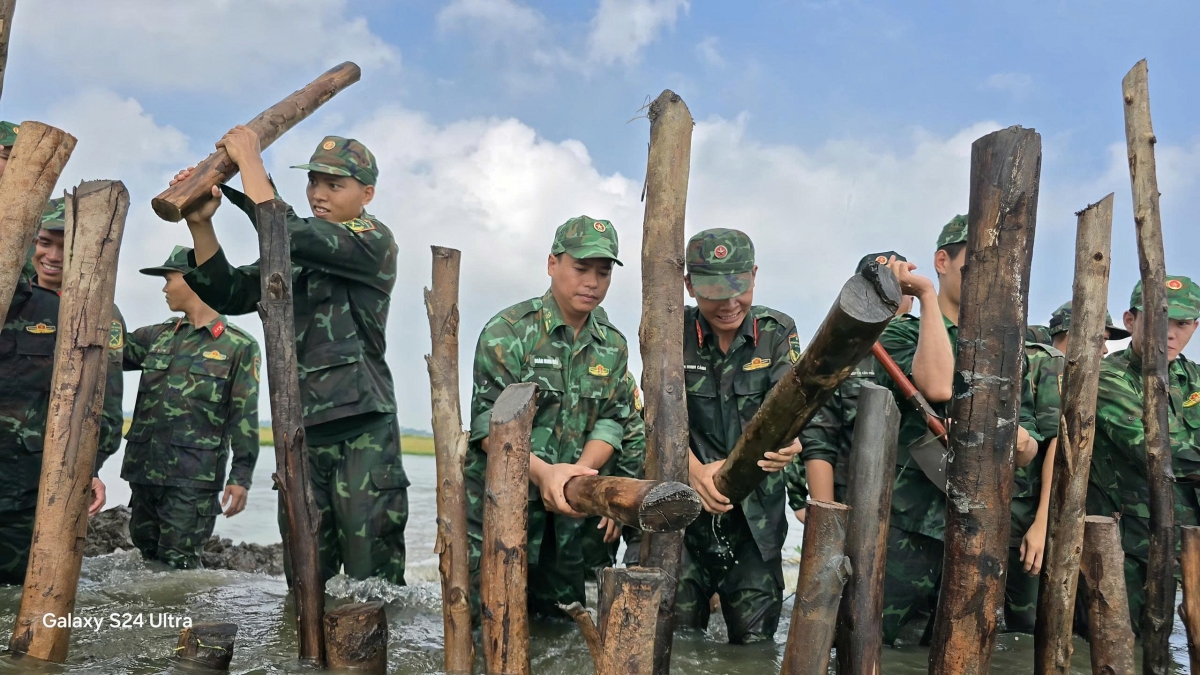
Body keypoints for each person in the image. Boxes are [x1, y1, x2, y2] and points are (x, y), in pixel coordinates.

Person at [174, 128, 407, 585]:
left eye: (334, 185)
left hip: (362, 431)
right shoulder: (293, 252)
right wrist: (201, 222)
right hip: (299, 434)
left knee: (370, 582)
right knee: (305, 580)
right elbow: (230, 290)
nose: (319, 194)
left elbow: (290, 230)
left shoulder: (372, 240)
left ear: (367, 194)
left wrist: (250, 164)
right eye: (313, 183)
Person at [875, 215, 1040, 644]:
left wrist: (1020, 444)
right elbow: (937, 385)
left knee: (963, 649)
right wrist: (927, 297)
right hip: (908, 530)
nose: (987, 277)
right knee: (883, 647)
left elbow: (1029, 450)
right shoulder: (900, 332)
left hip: (976, 533)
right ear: (942, 261)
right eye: (975, 264)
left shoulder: (1009, 351)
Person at [466, 216, 642, 617]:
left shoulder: (612, 344)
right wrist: (545, 473)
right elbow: (486, 429)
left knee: (563, 622)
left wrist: (578, 473)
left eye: (603, 272)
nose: (592, 282)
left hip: (570, 516)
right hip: (501, 504)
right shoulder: (507, 332)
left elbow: (612, 420)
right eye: (581, 269)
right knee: (489, 620)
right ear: (552, 264)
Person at [676, 228, 803, 643]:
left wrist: (790, 441)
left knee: (754, 653)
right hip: (678, 519)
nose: (729, 304)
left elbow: (793, 407)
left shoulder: (777, 331)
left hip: (755, 526)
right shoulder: (670, 334)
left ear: (754, 275)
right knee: (671, 643)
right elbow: (650, 420)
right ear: (689, 284)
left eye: (739, 289)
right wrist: (692, 470)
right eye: (714, 291)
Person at [0, 199, 122, 584]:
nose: (52, 256)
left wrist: (92, 467)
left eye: (64, 246)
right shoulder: (9, 299)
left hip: (33, 487)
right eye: (43, 242)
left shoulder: (98, 312)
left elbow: (106, 404)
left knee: (20, 588)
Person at [122, 246, 260, 569]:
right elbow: (108, 349)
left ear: (195, 280)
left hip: (192, 485)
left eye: (169, 279)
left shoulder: (238, 346)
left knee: (178, 572)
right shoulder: (157, 336)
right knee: (145, 566)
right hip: (144, 476)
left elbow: (245, 416)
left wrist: (241, 477)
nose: (164, 288)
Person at [1005, 302, 1129, 632]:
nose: (1105, 348)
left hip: (999, 512)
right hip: (1023, 519)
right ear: (1072, 334)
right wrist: (1042, 525)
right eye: (1100, 338)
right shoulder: (1055, 363)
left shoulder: (1023, 352)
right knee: (1027, 625)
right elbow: (1057, 444)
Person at [1088, 275, 1200, 632]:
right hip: (1128, 546)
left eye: (1182, 324)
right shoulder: (1107, 377)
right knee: (1121, 648)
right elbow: (1154, 450)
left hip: (1189, 541)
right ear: (1130, 320)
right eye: (1160, 320)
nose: (1171, 334)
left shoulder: (1194, 378)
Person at [791, 251, 913, 520]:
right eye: (874, 289)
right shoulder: (838, 357)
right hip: (854, 508)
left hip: (920, 515)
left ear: (911, 298)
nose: (888, 298)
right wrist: (828, 523)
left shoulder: (928, 354)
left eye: (897, 288)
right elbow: (818, 442)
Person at [581, 370, 646, 576]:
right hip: (535, 497)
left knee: (597, 578)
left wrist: (616, 503)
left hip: (599, 506)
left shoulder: (616, 372)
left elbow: (634, 440)